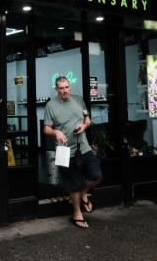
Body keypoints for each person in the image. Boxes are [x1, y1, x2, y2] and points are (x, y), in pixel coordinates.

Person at [43, 76, 102, 229]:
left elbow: (87, 120)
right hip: (65, 151)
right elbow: (46, 128)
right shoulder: (51, 105)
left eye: (67, 87)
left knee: (96, 176)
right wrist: (55, 132)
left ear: (70, 86)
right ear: (56, 89)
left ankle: (84, 193)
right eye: (61, 88)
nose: (65, 91)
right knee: (73, 184)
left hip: (84, 147)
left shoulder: (79, 100)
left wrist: (84, 127)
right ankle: (77, 213)